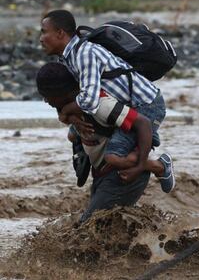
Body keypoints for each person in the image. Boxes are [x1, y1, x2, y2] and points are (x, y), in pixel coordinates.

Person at [39, 9, 172, 184]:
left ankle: (160, 166)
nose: (40, 39)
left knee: (114, 158)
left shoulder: (85, 54)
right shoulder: (67, 58)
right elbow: (75, 96)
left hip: (146, 105)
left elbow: (89, 100)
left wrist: (65, 112)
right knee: (73, 134)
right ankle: (91, 154)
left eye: (43, 32)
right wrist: (70, 116)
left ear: (60, 33)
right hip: (119, 105)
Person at [36, 63, 174, 221]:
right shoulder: (69, 110)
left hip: (123, 176)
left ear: (61, 93)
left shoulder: (100, 105)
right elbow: (71, 129)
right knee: (106, 234)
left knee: (87, 230)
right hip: (102, 176)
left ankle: (160, 165)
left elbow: (143, 124)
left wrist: (142, 165)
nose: (45, 101)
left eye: (46, 96)